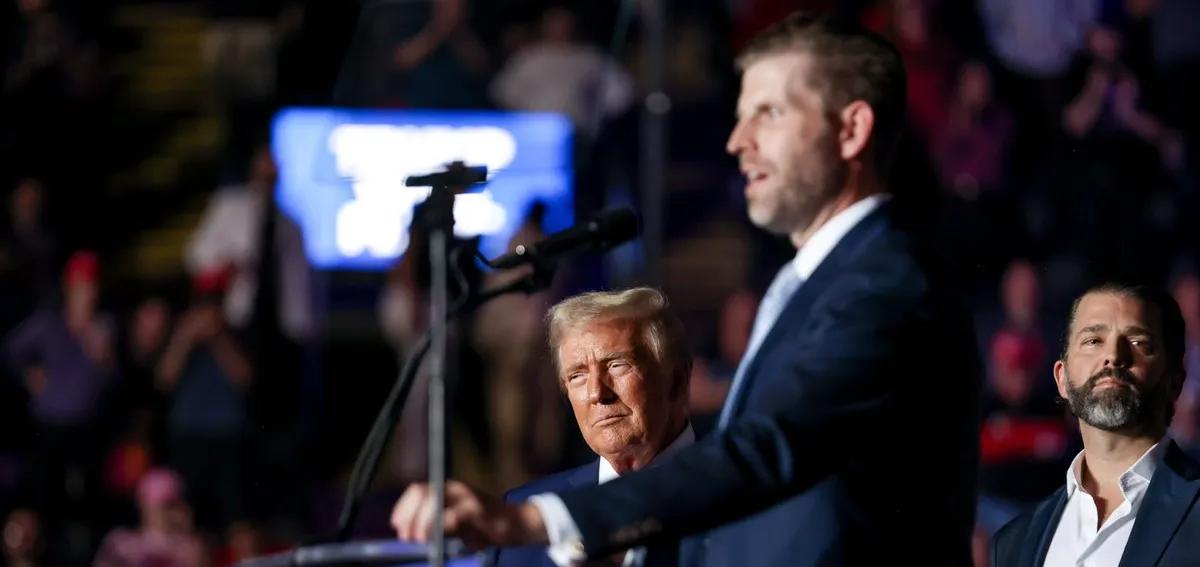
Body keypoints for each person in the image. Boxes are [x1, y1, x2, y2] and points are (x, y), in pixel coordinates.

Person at [391, 11, 980, 566]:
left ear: (851, 129)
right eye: (741, 115)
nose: (737, 141)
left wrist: (535, 521)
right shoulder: (828, 278)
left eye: (769, 113)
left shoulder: (882, 283)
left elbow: (765, 451)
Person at [480, 287, 693, 567]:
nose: (596, 393)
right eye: (577, 375)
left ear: (675, 381)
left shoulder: (745, 495)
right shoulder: (524, 513)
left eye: (618, 365)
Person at [991, 284, 1200, 566]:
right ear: (1062, 379)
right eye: (1093, 341)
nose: (1113, 355)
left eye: (1138, 342)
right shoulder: (1011, 545)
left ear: (1174, 381)